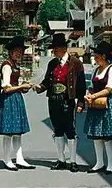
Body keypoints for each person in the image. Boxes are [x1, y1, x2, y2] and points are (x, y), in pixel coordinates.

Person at [34, 33, 86, 172]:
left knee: (70, 130)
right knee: (57, 130)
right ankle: (61, 160)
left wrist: (80, 102)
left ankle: (73, 161)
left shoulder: (75, 63)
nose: (53, 51)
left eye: (55, 49)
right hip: (53, 100)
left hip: (68, 100)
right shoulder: (52, 63)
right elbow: (47, 81)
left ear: (63, 48)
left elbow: (81, 85)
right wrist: (40, 87)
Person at [84, 41, 112, 174]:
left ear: (103, 56)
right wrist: (88, 95)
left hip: (107, 104)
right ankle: (99, 162)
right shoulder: (96, 70)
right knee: (97, 135)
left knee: (107, 136)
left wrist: (94, 96)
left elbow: (109, 88)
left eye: (96, 55)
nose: (94, 58)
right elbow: (91, 86)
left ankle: (111, 164)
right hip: (95, 103)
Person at [0, 36, 34, 171]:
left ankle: (19, 158)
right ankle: (6, 158)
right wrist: (20, 87)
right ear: (10, 52)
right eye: (16, 51)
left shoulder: (15, 66)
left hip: (16, 99)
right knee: (9, 131)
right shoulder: (7, 66)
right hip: (9, 99)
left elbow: (15, 86)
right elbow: (6, 87)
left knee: (17, 131)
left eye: (21, 51)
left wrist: (24, 87)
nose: (19, 54)